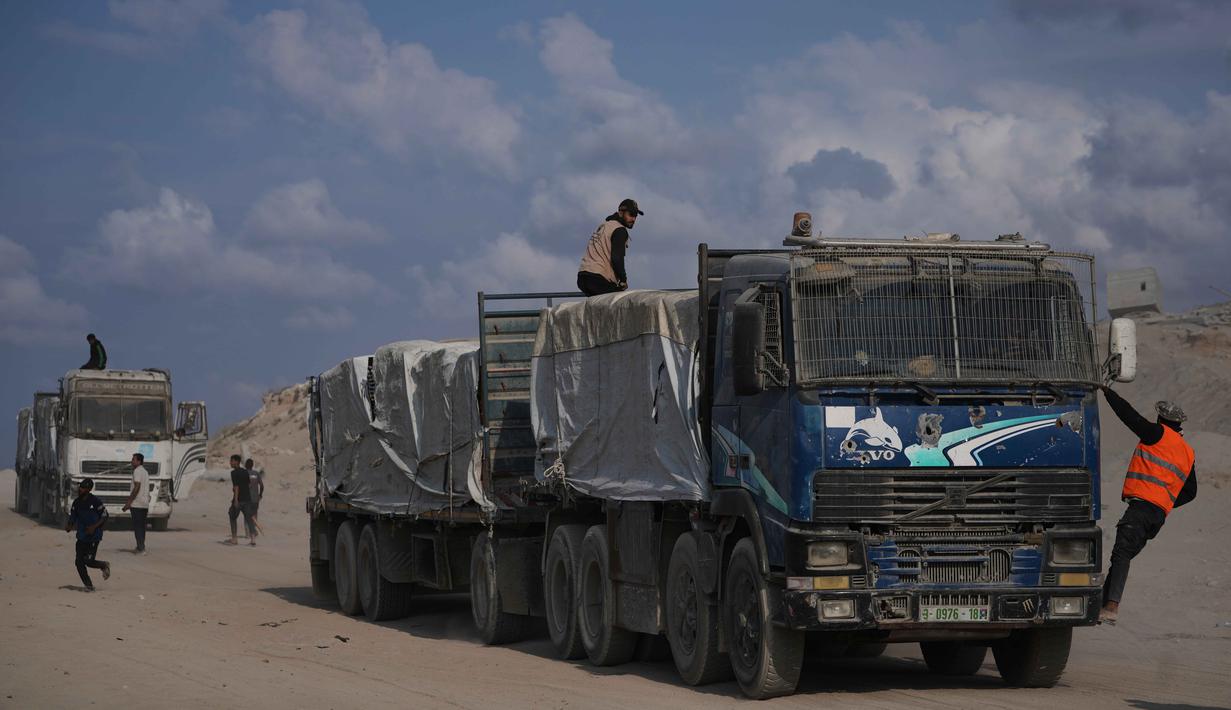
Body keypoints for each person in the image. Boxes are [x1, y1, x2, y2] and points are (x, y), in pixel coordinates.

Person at [1098, 386, 1197, 625]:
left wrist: (1107, 393)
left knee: (1121, 553)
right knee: (1123, 554)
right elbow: (1191, 492)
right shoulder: (1188, 452)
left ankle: (1111, 607)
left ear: (1161, 419)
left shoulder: (1157, 434)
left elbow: (1129, 416)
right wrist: (1166, 502)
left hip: (1142, 508)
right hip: (1157, 516)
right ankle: (1102, 605)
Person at [577, 198, 642, 296]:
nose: (633, 219)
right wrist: (623, 280)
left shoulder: (603, 226)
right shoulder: (620, 230)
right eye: (631, 214)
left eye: (635, 216)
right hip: (599, 278)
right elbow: (617, 258)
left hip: (583, 276)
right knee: (619, 303)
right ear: (621, 212)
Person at [65, 478, 111, 590]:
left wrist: (94, 527)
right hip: (81, 537)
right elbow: (73, 517)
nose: (80, 489)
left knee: (89, 561)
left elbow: (105, 515)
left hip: (94, 537)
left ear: (89, 489)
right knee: (78, 562)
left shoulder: (95, 502)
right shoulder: (76, 503)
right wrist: (69, 526)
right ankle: (89, 586)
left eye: (83, 488)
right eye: (80, 487)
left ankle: (104, 565)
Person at [121, 452, 150, 553]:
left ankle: (141, 548)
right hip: (145, 503)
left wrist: (129, 502)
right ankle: (140, 546)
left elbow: (137, 486)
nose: (131, 461)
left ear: (139, 461)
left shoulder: (137, 471)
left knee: (137, 526)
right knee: (142, 526)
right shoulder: (145, 472)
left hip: (137, 503)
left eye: (133, 459)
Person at [226, 454, 256, 546]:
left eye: (231, 461)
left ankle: (234, 538)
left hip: (239, 499)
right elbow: (249, 484)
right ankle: (253, 539)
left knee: (232, 516)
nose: (230, 463)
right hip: (247, 499)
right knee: (249, 519)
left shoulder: (233, 473)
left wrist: (235, 500)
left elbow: (236, 487)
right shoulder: (245, 471)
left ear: (236, 462)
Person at [245, 458, 265, 534]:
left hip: (247, 498)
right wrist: (260, 495)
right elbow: (262, 486)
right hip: (255, 498)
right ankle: (253, 531)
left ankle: (247, 533)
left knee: (246, 515)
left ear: (246, 465)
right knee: (254, 514)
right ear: (252, 465)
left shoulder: (244, 473)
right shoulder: (256, 473)